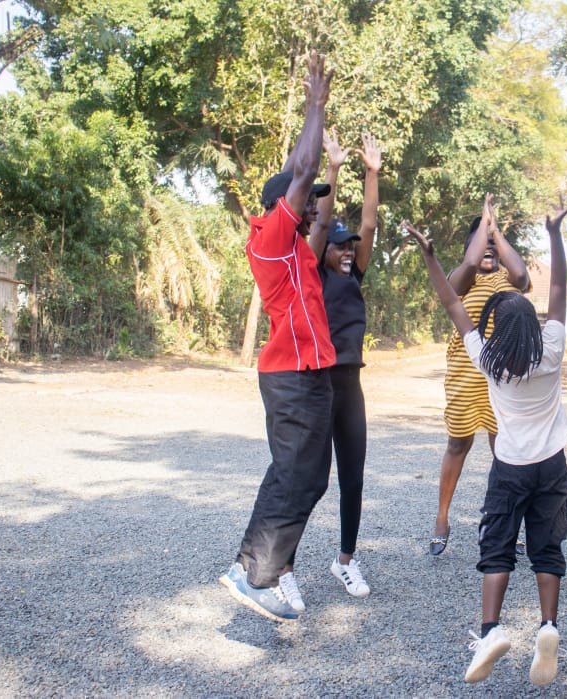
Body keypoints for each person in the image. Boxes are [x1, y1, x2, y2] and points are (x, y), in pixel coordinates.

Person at [404, 195, 567, 686]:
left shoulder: (488, 360)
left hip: (511, 467)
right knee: (547, 548)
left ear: (498, 330)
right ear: (534, 328)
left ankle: (491, 628)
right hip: (553, 466)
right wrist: (555, 234)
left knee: (497, 546)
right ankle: (548, 624)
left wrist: (431, 255)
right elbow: (558, 287)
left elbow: (451, 302)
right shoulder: (551, 353)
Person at [218, 51, 336, 623]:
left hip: (307, 378)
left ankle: (251, 566)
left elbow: (310, 178)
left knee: (306, 477)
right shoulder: (269, 237)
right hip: (290, 378)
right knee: (296, 473)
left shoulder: (296, 254)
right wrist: (315, 106)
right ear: (284, 205)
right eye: (309, 204)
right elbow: (303, 170)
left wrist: (329, 167)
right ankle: (259, 576)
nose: (317, 212)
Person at [428, 194, 530, 556]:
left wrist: (495, 231)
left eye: (493, 244)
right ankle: (442, 518)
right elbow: (471, 260)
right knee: (458, 444)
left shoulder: (508, 279)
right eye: (481, 241)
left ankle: (503, 521)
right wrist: (484, 221)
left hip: (502, 379)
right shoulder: (462, 277)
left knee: (503, 451)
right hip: (464, 374)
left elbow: (523, 276)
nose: (487, 248)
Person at [305, 129, 382, 599]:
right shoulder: (313, 271)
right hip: (317, 384)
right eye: (341, 247)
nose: (349, 250)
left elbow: (368, 224)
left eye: (350, 247)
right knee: (309, 478)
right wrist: (332, 170)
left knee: (352, 475)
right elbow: (322, 225)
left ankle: (345, 561)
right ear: (324, 252)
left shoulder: (355, 273)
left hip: (349, 384)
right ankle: (285, 562)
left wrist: (372, 173)